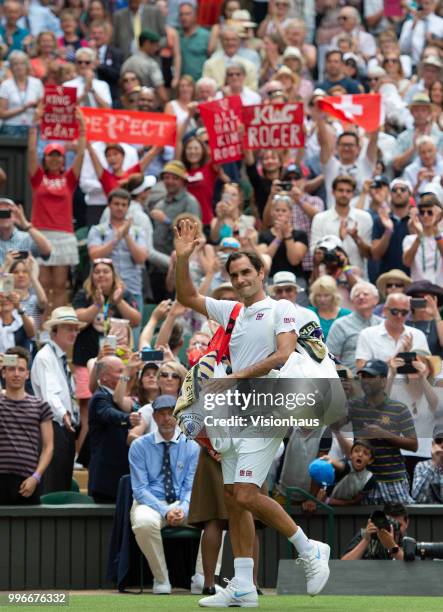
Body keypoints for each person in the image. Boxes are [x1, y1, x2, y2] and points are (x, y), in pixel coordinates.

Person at [175, 220, 330, 607]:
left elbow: (281, 354)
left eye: (247, 272)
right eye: (235, 274)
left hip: (270, 403)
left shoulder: (283, 307)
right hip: (236, 410)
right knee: (233, 497)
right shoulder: (230, 310)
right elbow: (186, 294)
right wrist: (182, 258)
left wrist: (236, 377)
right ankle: (243, 585)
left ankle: (309, 548)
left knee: (246, 492)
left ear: (261, 273)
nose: (241, 278)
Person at [129, 394, 199, 594]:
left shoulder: (192, 446)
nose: (167, 418)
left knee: (217, 522)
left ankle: (203, 578)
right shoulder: (139, 446)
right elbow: (140, 489)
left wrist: (183, 508)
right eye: (162, 414)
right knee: (143, 522)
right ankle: (161, 579)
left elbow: (190, 486)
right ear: (155, 417)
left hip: (182, 502)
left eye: (171, 413)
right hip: (151, 503)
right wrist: (165, 510)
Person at [28, 108, 85, 309]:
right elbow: (31, 151)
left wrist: (82, 127)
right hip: (41, 234)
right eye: (50, 155)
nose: (54, 159)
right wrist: (34, 126)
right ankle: (41, 327)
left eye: (58, 156)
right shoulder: (37, 178)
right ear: (45, 159)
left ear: (63, 160)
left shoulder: (69, 179)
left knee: (60, 285)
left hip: (63, 235)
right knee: (42, 284)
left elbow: (81, 153)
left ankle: (56, 324)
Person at [346, 360, 418, 504]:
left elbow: (413, 444)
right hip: (364, 480)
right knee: (365, 526)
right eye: (363, 376)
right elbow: (334, 425)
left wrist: (383, 434)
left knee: (398, 525)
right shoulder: (354, 405)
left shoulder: (399, 408)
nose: (365, 380)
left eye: (370, 377)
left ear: (383, 381)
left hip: (392, 480)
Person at [31, 307, 84, 494]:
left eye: (75, 329)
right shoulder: (46, 357)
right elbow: (50, 395)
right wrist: (64, 415)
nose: (74, 333)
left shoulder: (58, 357)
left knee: (61, 484)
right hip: (53, 427)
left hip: (64, 428)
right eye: (68, 328)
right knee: (52, 487)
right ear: (54, 331)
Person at [0, 347, 53, 505]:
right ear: (3, 372)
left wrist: (36, 477)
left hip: (28, 481)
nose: (16, 374)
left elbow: (48, 447)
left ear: (27, 374)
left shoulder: (40, 405)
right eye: (11, 369)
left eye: (21, 369)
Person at [87, 189, 148, 313]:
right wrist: (117, 238)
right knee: (103, 329)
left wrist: (127, 236)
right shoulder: (98, 230)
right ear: (109, 205)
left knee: (132, 330)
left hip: (132, 289)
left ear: (128, 207)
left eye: (124, 205)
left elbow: (141, 258)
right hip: (103, 291)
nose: (120, 208)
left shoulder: (137, 231)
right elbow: (94, 256)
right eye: (116, 204)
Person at [88, 355, 136, 503]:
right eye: (119, 371)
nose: (123, 375)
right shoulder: (100, 397)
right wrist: (127, 419)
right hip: (106, 478)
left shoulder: (122, 398)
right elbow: (109, 414)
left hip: (119, 474)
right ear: (104, 378)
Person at [310, 175, 373, 273]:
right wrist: (339, 240)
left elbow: (370, 255)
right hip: (328, 278)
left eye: (348, 191)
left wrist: (356, 238)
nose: (344, 194)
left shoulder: (364, 218)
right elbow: (315, 253)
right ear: (333, 192)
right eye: (340, 190)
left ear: (353, 194)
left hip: (358, 278)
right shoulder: (320, 218)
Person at [355, 293, 430, 371]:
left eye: (404, 312)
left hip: (411, 382)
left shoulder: (418, 335)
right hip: (381, 383)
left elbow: (427, 369)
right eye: (395, 311)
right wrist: (395, 359)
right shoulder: (367, 334)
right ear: (385, 310)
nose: (399, 316)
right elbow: (361, 369)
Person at [327, 281, 381, 373]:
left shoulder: (383, 324)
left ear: (376, 299)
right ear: (352, 301)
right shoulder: (341, 324)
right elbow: (330, 358)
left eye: (365, 294)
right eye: (357, 295)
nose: (361, 297)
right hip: (351, 379)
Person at [257, 194, 308, 279]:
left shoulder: (300, 235)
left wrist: (287, 234)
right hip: (271, 279)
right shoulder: (264, 235)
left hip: (295, 278)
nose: (280, 213)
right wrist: (279, 237)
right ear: (272, 212)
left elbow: (294, 260)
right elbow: (265, 260)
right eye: (277, 210)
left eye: (284, 211)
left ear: (290, 213)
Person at [371, 178, 413, 276]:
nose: (398, 192)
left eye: (403, 190)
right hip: (387, 279)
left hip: (413, 278)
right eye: (394, 190)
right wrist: (388, 231)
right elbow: (375, 255)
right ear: (390, 194)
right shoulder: (380, 220)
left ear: (410, 194)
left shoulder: (418, 220)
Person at [341, 502, 410, 560]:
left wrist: (392, 546)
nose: (394, 530)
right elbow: (344, 565)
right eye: (390, 525)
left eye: (398, 525)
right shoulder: (370, 533)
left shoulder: (408, 542)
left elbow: (412, 568)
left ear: (407, 523)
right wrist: (366, 539)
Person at [402, 192, 443, 284]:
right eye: (422, 212)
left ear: (438, 215)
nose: (425, 216)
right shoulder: (409, 239)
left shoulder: (441, 237)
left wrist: (436, 230)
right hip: (418, 291)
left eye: (430, 212)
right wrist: (419, 236)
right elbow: (407, 262)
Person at [320, 440, 376, 506]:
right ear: (350, 455)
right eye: (356, 451)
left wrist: (330, 501)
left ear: (370, 460)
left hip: (348, 508)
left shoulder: (369, 479)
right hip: (327, 505)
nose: (360, 454)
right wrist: (331, 460)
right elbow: (341, 466)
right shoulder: (346, 466)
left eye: (365, 453)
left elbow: (354, 501)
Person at [0, 50, 43, 136]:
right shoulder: (6, 85)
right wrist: (23, 108)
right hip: (11, 128)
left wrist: (37, 104)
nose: (19, 67)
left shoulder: (37, 83)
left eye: (22, 64)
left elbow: (42, 107)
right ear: (11, 67)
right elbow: (2, 114)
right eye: (15, 64)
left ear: (27, 66)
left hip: (32, 127)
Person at [0, 198, 51, 267]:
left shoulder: (26, 238)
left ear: (15, 214)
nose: (4, 217)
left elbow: (47, 250)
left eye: (8, 212)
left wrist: (25, 224)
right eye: (1, 213)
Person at [202, 25, 257, 90]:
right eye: (227, 40)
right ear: (221, 42)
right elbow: (205, 88)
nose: (230, 43)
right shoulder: (210, 64)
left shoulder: (249, 65)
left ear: (239, 42)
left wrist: (236, 91)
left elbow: (253, 88)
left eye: (233, 40)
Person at [120, 30, 168, 104]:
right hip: (147, 104)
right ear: (147, 43)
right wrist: (165, 101)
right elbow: (160, 89)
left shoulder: (127, 62)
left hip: (128, 104)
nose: (157, 49)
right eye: (155, 45)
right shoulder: (151, 64)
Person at [88, 20, 123, 103]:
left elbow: (117, 75)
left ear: (106, 36)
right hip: (89, 95)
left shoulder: (116, 53)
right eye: (94, 33)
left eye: (100, 33)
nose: (97, 36)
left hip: (110, 96)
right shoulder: (84, 52)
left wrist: (100, 65)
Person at [308, 275, 351, 341]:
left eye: (326, 295)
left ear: (334, 296)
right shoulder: (308, 313)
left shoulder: (347, 315)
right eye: (318, 295)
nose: (322, 299)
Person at [178, 3, 210, 82]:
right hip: (182, 85)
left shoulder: (205, 35)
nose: (184, 17)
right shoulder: (176, 36)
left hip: (200, 83)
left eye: (187, 14)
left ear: (195, 16)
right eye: (181, 14)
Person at [412, 425, 443, 503]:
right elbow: (416, 496)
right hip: (428, 513)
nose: (442, 445)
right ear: (433, 444)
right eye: (439, 441)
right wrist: (434, 464)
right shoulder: (421, 466)